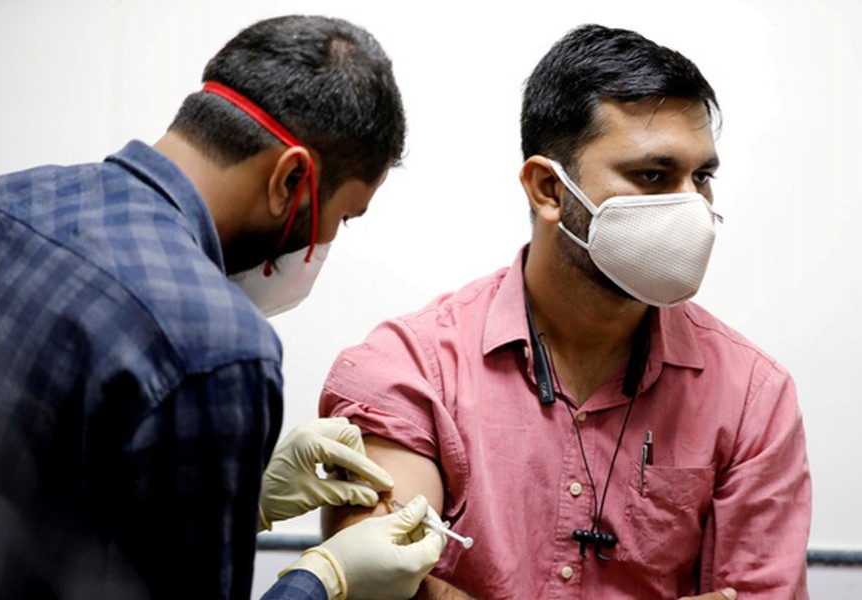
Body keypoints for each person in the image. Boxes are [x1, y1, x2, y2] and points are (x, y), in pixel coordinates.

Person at [319, 23, 811, 599]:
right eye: (653, 176)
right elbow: (382, 586)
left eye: (701, 178)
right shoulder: (409, 371)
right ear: (548, 190)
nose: (692, 208)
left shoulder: (752, 395)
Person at [0, 15, 445, 600]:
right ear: (290, 178)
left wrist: (246, 499)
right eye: (343, 218)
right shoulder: (218, 347)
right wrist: (322, 579)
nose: (325, 244)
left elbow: (51, 498)